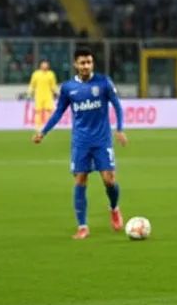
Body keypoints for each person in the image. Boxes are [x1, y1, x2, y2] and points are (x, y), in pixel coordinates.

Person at [33, 48, 127, 239]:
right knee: (80, 180)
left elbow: (116, 104)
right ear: (76, 64)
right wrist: (43, 131)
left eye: (89, 62)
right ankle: (83, 226)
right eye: (82, 63)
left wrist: (119, 128)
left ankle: (114, 208)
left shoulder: (103, 82)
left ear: (92, 64)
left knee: (109, 180)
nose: (86, 66)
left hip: (102, 140)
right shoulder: (68, 88)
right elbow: (59, 112)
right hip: (81, 142)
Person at [26, 58, 59, 129]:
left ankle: (48, 126)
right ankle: (38, 126)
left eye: (46, 64)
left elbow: (53, 85)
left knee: (49, 111)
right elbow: (32, 85)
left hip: (48, 95)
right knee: (38, 111)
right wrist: (29, 93)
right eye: (43, 64)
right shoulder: (36, 74)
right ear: (40, 65)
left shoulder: (51, 74)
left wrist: (55, 92)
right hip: (38, 95)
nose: (45, 65)